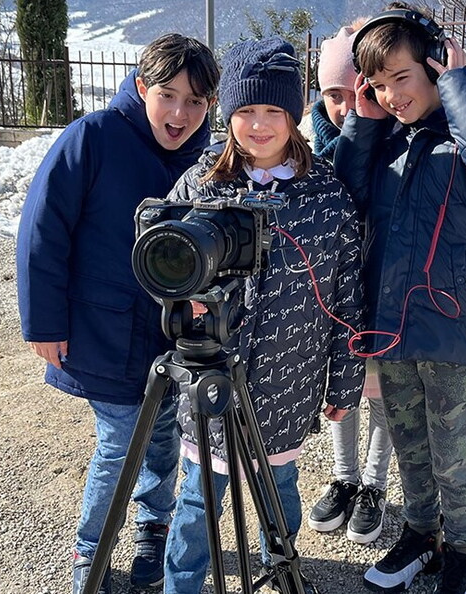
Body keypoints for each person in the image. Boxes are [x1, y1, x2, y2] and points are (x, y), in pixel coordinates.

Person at [333, 4, 466, 594]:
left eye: (403, 77)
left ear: (434, 62)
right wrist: (364, 121)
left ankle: (463, 552)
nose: (393, 94)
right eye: (377, 84)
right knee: (409, 445)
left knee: (453, 450)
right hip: (393, 324)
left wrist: (457, 84)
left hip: (455, 327)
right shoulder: (387, 141)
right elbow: (341, 190)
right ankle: (421, 536)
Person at [160, 36, 365, 594]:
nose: (259, 125)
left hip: (289, 379)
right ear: (228, 115)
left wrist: (344, 383)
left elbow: (349, 299)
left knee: (280, 486)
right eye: (246, 110)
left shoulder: (327, 196)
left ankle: (281, 568)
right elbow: (162, 261)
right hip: (208, 378)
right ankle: (182, 583)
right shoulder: (201, 183)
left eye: (273, 110)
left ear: (295, 115)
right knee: (198, 501)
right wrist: (182, 300)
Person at [15, 34, 219, 594]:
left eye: (196, 101)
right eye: (168, 95)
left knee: (162, 441)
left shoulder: (209, 160)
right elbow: (43, 229)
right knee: (122, 441)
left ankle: (153, 530)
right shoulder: (94, 137)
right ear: (139, 87)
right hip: (100, 328)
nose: (180, 114)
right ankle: (92, 551)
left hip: (171, 334)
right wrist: (44, 323)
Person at [306, 23, 395, 547]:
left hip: (382, 288)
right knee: (340, 387)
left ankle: (374, 485)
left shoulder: (395, 139)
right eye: (332, 95)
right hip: (336, 293)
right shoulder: (312, 147)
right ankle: (343, 477)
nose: (343, 107)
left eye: (352, 93)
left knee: (380, 389)